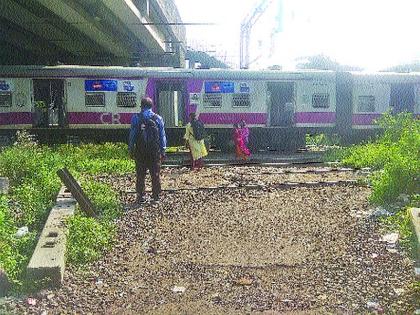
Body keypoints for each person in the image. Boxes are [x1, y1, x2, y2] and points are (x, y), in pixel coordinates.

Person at [129, 97, 166, 203]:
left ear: (141, 106)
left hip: (140, 151)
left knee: (140, 175)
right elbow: (162, 135)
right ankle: (156, 196)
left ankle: (140, 196)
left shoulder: (136, 118)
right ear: (151, 106)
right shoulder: (158, 118)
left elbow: (132, 135)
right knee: (155, 174)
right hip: (154, 152)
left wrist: (131, 149)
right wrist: (163, 150)